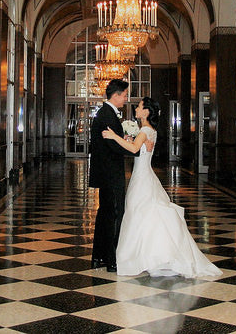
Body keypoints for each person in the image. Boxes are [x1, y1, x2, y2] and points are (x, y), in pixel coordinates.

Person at [102, 97, 222, 278]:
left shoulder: (144, 130)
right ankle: (148, 257)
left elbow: (134, 149)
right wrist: (128, 138)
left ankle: (141, 257)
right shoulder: (150, 130)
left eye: (140, 107)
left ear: (147, 112)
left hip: (142, 178)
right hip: (143, 176)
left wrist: (114, 137)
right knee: (142, 214)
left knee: (138, 214)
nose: (136, 108)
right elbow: (138, 147)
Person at [89, 79, 153, 272]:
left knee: (105, 214)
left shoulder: (106, 113)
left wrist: (125, 139)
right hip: (110, 174)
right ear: (116, 95)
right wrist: (136, 148)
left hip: (107, 173)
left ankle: (99, 256)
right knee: (114, 215)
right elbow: (112, 145)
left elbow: (114, 142)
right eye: (124, 95)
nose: (126, 99)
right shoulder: (107, 115)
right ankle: (111, 259)